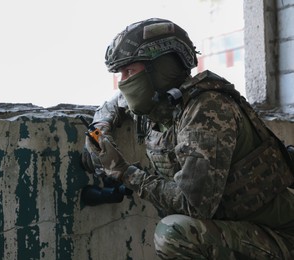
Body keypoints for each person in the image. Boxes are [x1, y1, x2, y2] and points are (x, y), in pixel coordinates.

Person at [82, 18, 294, 259]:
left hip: (281, 236)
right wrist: (99, 128)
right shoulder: (161, 105)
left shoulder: (206, 110)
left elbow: (194, 204)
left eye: (129, 71)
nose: (124, 82)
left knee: (174, 235)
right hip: (244, 227)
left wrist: (122, 171)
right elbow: (114, 103)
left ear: (161, 69)